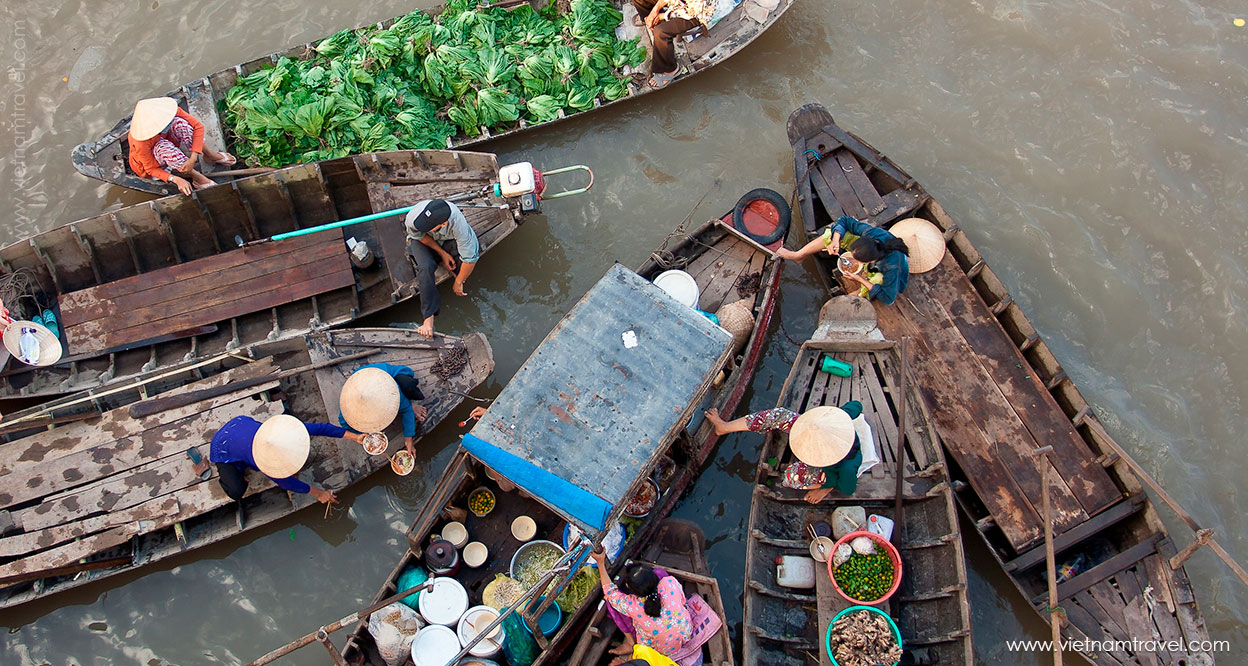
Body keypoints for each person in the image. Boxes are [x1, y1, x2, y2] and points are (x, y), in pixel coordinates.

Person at [705, 401, 865, 501]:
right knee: (779, 415)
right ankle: (725, 427)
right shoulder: (839, 420)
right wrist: (837, 415)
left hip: (830, 472)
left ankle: (821, 483)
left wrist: (825, 488)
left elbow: (848, 488)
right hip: (813, 427)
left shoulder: (846, 467)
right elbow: (857, 405)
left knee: (791, 477)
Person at [209, 413, 365, 505]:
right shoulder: (265, 461)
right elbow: (288, 483)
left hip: (240, 424)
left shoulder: (289, 432)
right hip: (222, 447)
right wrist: (319, 494)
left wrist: (355, 437)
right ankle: (235, 469)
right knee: (236, 492)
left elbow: (322, 428)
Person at [777, 215, 911, 305]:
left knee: (877, 281)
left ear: (869, 262)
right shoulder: (871, 234)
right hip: (873, 257)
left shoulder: (892, 266)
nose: (850, 258)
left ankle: (859, 293)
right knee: (835, 234)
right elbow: (845, 221)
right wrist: (835, 241)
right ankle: (798, 255)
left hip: (885, 274)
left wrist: (860, 279)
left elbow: (888, 299)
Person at [592, 549, 692, 663]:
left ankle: (630, 642)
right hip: (686, 633)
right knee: (660, 572)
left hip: (662, 650)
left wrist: (600, 563)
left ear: (632, 592)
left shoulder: (634, 606)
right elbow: (682, 601)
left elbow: (610, 593)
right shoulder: (669, 582)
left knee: (611, 603)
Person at [127, 97, 236, 195]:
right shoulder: (140, 141)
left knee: (181, 123)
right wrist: (175, 179)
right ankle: (196, 177)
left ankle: (210, 155)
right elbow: (151, 169)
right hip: (155, 163)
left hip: (168, 143)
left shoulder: (168, 112)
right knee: (163, 147)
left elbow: (197, 126)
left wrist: (193, 157)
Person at [403, 199, 480, 337]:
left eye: (428, 225)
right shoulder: (413, 218)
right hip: (425, 240)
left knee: (464, 265)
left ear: (443, 224)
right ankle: (428, 317)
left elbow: (470, 259)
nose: (423, 225)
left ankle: (457, 279)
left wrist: (458, 282)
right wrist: (442, 253)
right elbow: (419, 235)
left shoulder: (458, 225)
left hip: (449, 238)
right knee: (425, 267)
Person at [338, 364, 427, 458]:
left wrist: (409, 440)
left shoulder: (391, 392)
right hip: (362, 381)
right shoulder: (348, 408)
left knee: (407, 385)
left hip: (393, 376)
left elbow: (406, 411)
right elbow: (344, 424)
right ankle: (407, 403)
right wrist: (365, 438)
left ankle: (409, 403)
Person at [632, 0, 715, 88]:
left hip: (696, 13)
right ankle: (649, 20)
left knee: (661, 32)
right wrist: (654, 12)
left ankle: (671, 70)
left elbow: (691, 12)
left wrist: (663, 16)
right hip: (678, 3)